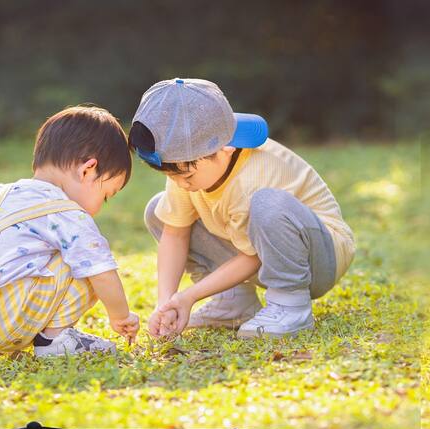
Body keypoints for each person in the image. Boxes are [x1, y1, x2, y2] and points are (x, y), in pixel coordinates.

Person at [130, 78, 355, 339]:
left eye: (187, 176)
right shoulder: (189, 164)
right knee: (158, 211)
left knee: (267, 204)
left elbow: (253, 257)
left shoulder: (252, 178)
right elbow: (175, 234)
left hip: (319, 259)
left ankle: (290, 306)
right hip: (260, 253)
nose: (181, 184)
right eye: (172, 175)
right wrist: (166, 303)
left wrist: (188, 297)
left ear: (224, 150)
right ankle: (233, 301)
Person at [0, 105, 139, 359]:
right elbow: (101, 271)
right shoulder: (65, 211)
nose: (100, 208)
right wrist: (121, 316)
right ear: (87, 170)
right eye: (106, 195)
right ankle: (54, 340)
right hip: (7, 323)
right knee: (88, 259)